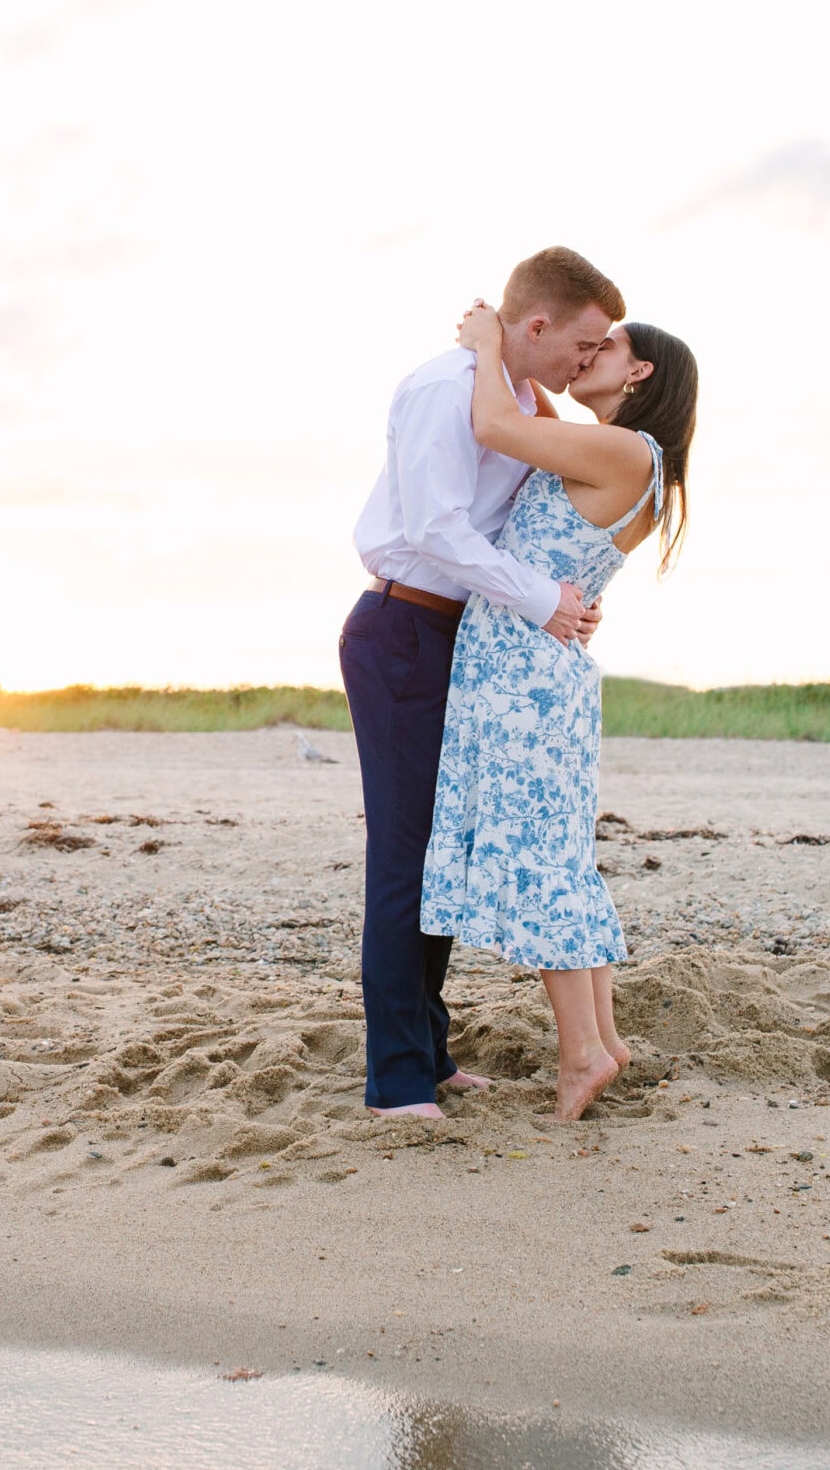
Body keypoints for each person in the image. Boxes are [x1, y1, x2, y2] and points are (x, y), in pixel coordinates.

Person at [341, 246, 624, 1118]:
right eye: (583, 344)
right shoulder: (445, 388)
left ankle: (429, 1050)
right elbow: (434, 528)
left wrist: (561, 596)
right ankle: (395, 1079)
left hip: (460, 638)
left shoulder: (518, 399)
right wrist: (543, 601)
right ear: (535, 326)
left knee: (440, 857)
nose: (588, 362)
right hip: (404, 629)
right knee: (403, 858)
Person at [419, 308, 699, 1119]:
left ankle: (580, 1053)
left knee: (542, 867)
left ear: (639, 372)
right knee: (562, 858)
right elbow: (535, 410)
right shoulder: (636, 457)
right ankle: (603, 1042)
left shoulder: (619, 448)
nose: (588, 355)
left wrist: (482, 345)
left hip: (522, 674)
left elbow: (497, 420)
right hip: (544, 669)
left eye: (606, 347)